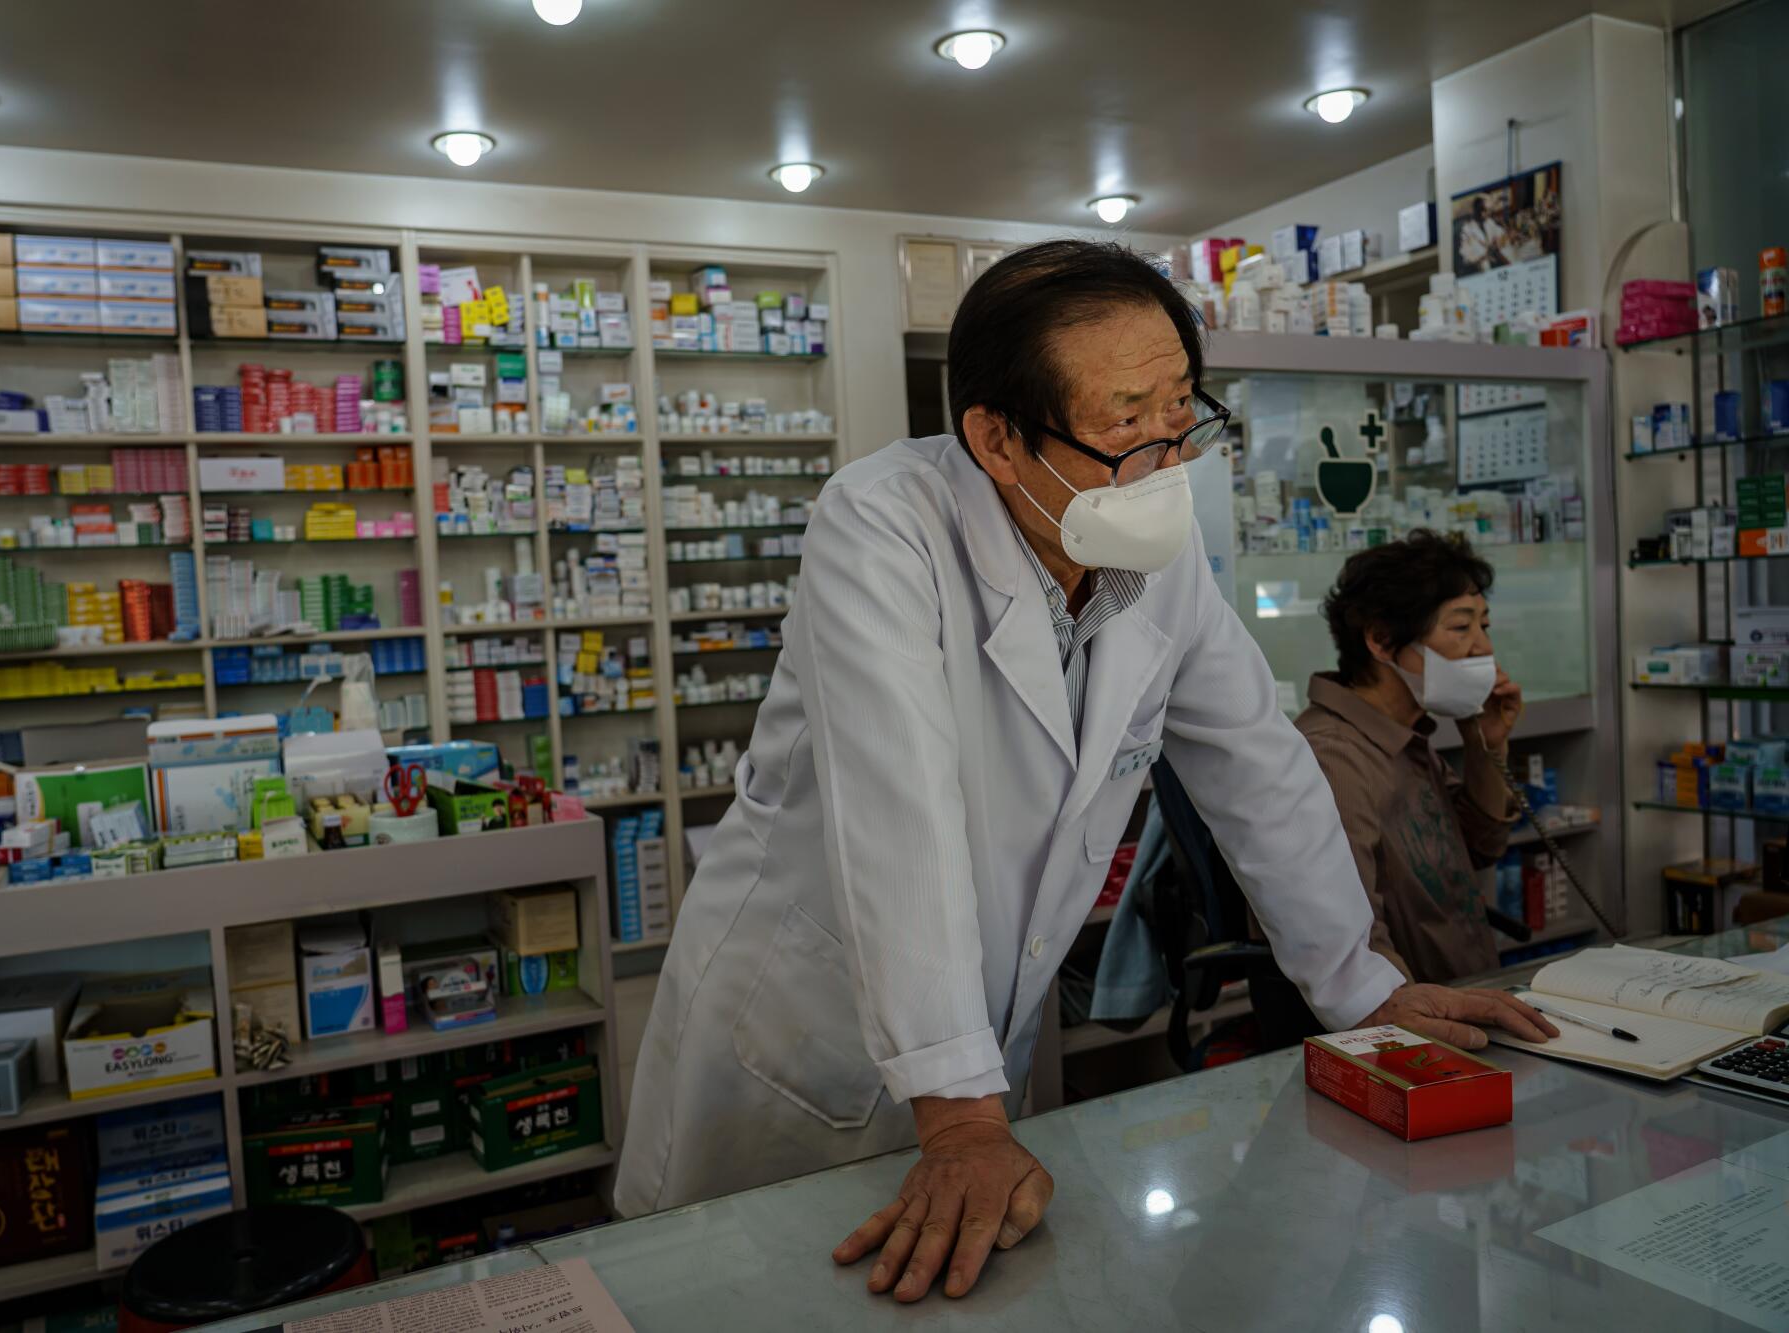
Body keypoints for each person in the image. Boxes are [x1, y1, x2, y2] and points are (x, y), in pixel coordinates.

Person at [613, 241, 1556, 1303]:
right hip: (799, 1030)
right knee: (733, 1300)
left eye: (1180, 414)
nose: (1166, 459)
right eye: (1125, 422)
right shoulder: (880, 524)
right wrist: (960, 1111)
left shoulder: (1152, 548)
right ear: (996, 439)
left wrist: (1362, 988)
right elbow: (898, 812)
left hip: (977, 1043)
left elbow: (1257, 766)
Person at [1296, 533, 1524, 984]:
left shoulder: (1405, 737)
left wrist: (1487, 745)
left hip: (1466, 989)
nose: (1482, 648)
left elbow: (1481, 847)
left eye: (1485, 627)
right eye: (1461, 628)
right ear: (1382, 640)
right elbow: (1350, 945)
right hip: (1412, 1018)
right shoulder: (1335, 756)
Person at [1457, 195, 1510, 272]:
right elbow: (1466, 259)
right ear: (1481, 212)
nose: (1489, 213)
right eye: (1487, 211)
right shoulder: (1467, 229)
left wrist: (1499, 242)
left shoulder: (1489, 222)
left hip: (1497, 260)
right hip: (1482, 267)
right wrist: (1483, 257)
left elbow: (1502, 234)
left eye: (1489, 210)